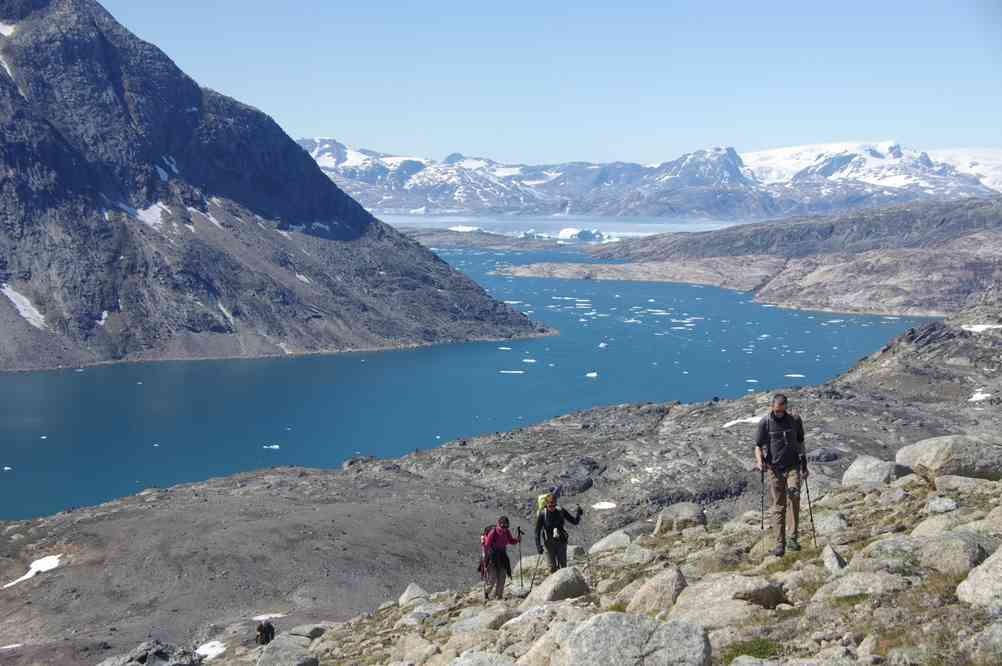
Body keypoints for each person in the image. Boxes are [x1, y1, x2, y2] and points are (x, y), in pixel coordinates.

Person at [754, 393, 808, 557]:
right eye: (777, 411)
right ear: (772, 407)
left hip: (793, 466)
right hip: (774, 468)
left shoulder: (795, 420)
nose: (779, 414)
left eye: (782, 411)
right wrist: (759, 461)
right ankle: (780, 544)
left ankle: (792, 538)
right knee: (778, 506)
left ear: (786, 409)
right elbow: (758, 446)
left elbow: (800, 443)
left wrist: (804, 466)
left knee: (794, 496)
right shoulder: (765, 423)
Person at [535, 495, 582, 573]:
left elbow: (574, 521)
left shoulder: (561, 511)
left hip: (561, 542)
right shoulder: (543, 514)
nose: (552, 508)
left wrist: (578, 514)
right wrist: (538, 546)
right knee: (552, 568)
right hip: (549, 544)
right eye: (550, 506)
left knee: (563, 566)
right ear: (546, 504)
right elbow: (537, 531)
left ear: (556, 504)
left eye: (554, 505)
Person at [482, 516, 520, 600]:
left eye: (506, 526)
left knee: (502, 577)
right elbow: (487, 545)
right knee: (493, 578)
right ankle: (486, 592)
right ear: (498, 524)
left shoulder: (507, 532)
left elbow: (510, 541)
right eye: (503, 526)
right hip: (492, 556)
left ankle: (498, 596)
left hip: (502, 556)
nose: (504, 528)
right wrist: (486, 559)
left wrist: (517, 540)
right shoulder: (493, 532)